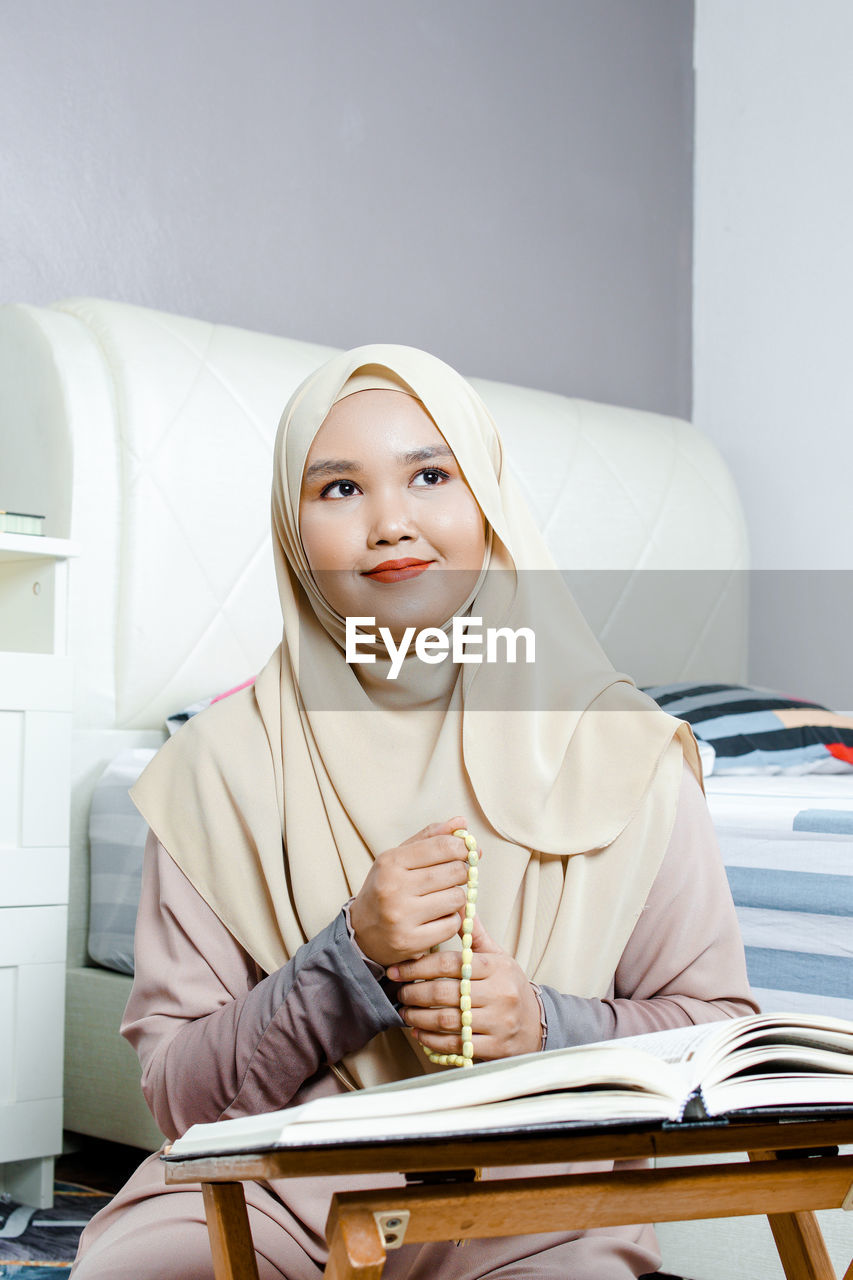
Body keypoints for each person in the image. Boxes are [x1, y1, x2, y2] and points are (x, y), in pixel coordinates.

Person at [71, 346, 757, 1279]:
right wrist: (347, 960)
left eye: (431, 475)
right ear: (290, 526)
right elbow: (181, 1100)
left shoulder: (624, 751)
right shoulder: (215, 769)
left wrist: (547, 1027)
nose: (391, 524)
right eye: (339, 489)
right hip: (271, 1196)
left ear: (489, 503)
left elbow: (718, 1031)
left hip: (537, 1206)